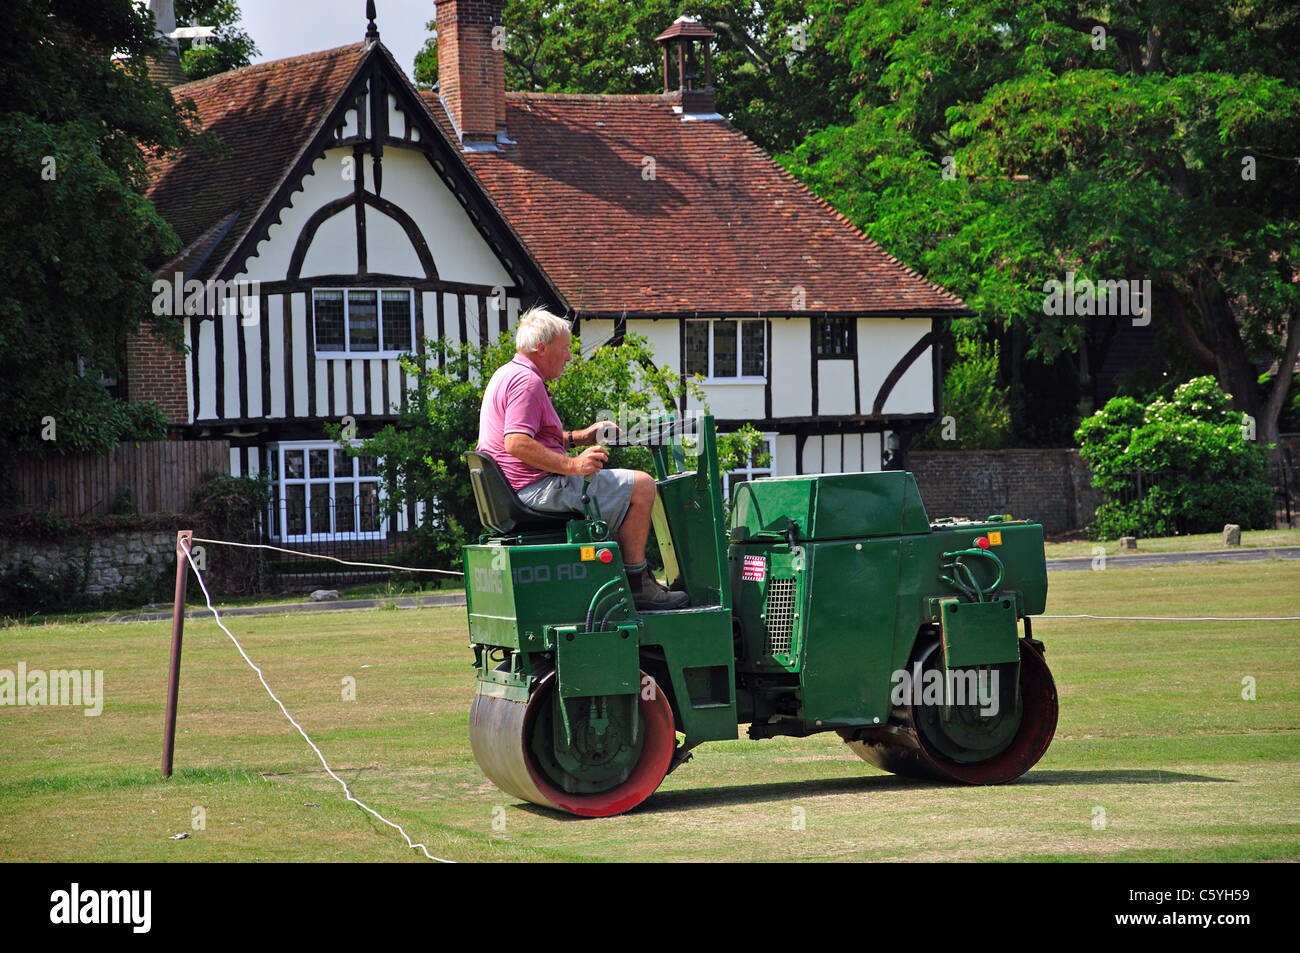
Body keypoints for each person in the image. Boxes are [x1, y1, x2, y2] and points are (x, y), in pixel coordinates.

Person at [476, 306, 690, 611]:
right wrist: (573, 465)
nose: (568, 357)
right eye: (564, 349)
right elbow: (517, 443)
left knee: (620, 494)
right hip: (534, 489)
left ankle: (620, 579)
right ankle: (637, 586)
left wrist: (580, 437)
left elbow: (536, 437)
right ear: (542, 348)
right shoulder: (528, 382)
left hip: (518, 489)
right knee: (642, 485)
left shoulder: (506, 374)